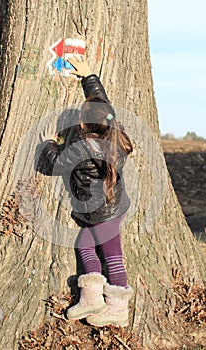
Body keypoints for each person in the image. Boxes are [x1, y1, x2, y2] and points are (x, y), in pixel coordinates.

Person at [41, 55, 133, 327]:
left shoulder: (82, 147)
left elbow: (55, 163)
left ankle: (118, 308)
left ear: (83, 124)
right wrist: (89, 76)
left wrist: (48, 142)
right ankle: (92, 297)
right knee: (84, 244)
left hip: (101, 213)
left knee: (113, 257)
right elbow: (102, 104)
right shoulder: (113, 131)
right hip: (110, 208)